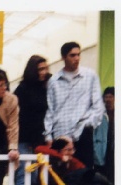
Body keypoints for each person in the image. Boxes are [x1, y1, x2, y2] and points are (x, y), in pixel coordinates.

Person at [43, 42, 105, 170]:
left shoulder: (90, 76)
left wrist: (86, 124)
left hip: (83, 135)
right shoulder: (53, 81)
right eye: (72, 55)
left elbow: (98, 106)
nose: (76, 58)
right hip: (60, 136)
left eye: (78, 55)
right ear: (63, 57)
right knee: (61, 177)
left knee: (83, 174)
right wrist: (48, 136)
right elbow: (50, 110)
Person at [13, 55, 50, 185]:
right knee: (24, 176)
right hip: (23, 139)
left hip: (39, 141)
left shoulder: (46, 88)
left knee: (36, 179)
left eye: (45, 68)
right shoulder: (22, 89)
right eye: (41, 69)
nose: (44, 72)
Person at [93, 87, 114, 185]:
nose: (108, 99)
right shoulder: (101, 115)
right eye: (106, 96)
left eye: (111, 96)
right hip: (102, 152)